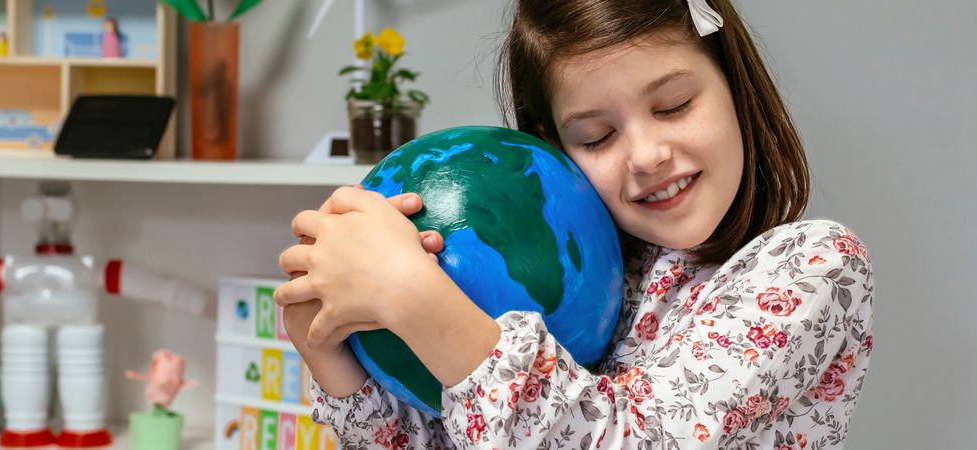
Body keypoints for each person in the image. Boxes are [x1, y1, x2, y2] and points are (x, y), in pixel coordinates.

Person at [276, 0, 874, 448]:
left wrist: (413, 298)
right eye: (597, 136)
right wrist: (332, 356)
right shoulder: (571, 272)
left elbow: (639, 438)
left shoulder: (813, 265)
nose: (646, 155)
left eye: (673, 106)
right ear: (555, 150)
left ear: (734, 88)